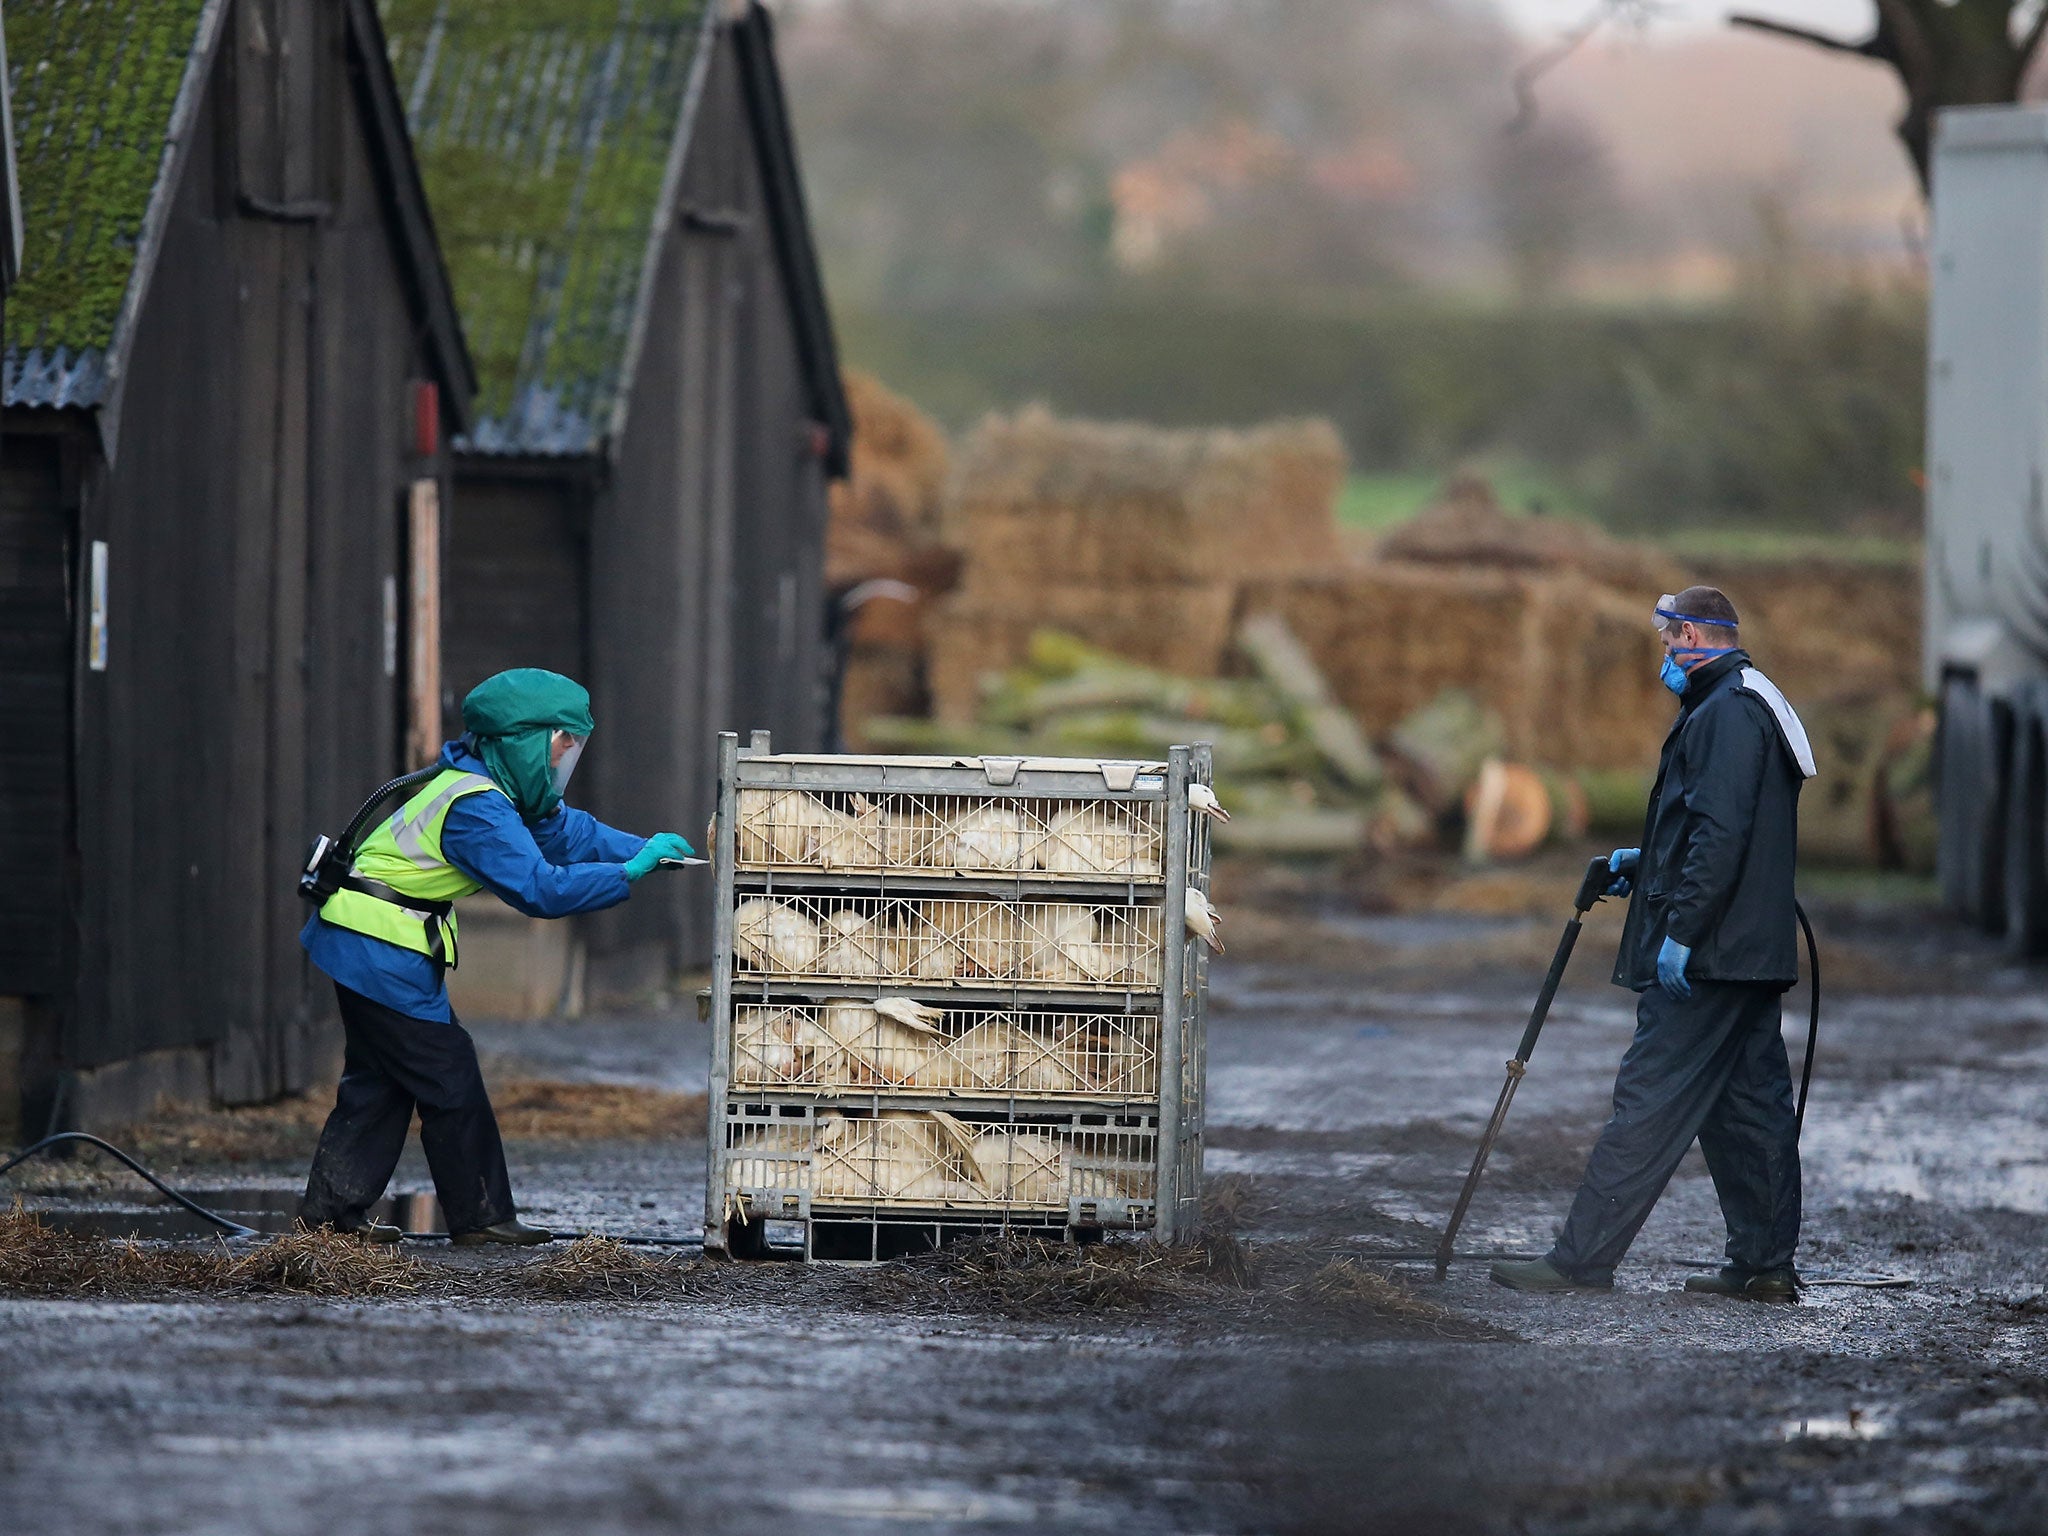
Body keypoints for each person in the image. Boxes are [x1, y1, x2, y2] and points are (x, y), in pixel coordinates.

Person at [1491, 587, 1816, 1301]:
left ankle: (1580, 1261)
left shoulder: (1726, 712)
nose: (1665, 650)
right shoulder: (1741, 701)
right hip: (1746, 953)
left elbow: (1722, 835)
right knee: (1749, 1109)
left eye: (1673, 637)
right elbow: (1717, 827)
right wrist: (1649, 860)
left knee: (1649, 1101)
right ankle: (1763, 1266)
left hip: (1710, 957)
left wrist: (1682, 934)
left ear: (1702, 636)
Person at [297, 668, 696, 1246]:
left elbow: (564, 834)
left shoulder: (485, 788)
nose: (566, 762)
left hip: (371, 944)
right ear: (526, 742)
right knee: (448, 1078)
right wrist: (628, 872)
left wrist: (644, 850)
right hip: (378, 947)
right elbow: (541, 889)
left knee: (381, 1082)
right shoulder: (476, 807)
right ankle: (481, 1218)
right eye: (563, 746)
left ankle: (330, 1217)